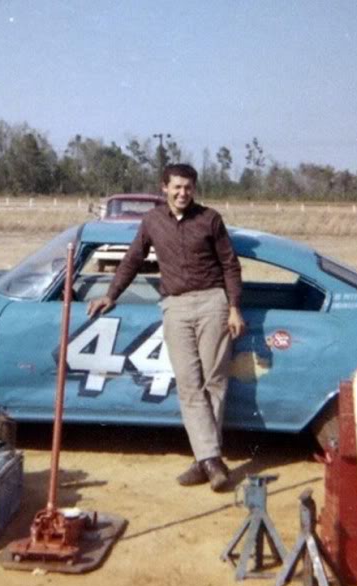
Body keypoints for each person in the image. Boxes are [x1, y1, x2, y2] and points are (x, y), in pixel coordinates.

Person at [87, 163, 245, 492]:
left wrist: (233, 308)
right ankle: (211, 460)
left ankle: (205, 460)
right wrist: (110, 295)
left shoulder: (210, 219)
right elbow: (132, 259)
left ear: (194, 189)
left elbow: (230, 264)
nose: (182, 193)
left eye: (188, 187)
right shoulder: (152, 221)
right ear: (164, 188)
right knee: (189, 384)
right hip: (175, 306)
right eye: (177, 187)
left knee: (214, 382)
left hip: (213, 303)